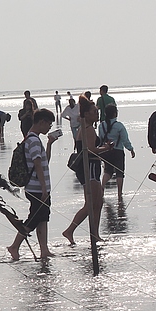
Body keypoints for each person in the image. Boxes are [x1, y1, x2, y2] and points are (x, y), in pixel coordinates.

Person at [6, 108, 56, 261]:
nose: (49, 127)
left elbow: (44, 159)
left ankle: (44, 250)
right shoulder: (33, 140)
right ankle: (14, 246)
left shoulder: (33, 138)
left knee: (43, 218)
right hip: (36, 188)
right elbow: (37, 164)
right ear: (41, 122)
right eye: (49, 124)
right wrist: (43, 188)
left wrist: (50, 143)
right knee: (34, 219)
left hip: (39, 187)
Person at [61, 96, 107, 247]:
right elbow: (91, 150)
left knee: (98, 202)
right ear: (86, 114)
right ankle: (70, 230)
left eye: (97, 111)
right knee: (91, 203)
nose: (97, 114)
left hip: (91, 166)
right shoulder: (88, 129)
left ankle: (95, 233)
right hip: (90, 167)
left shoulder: (84, 127)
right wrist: (106, 148)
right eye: (94, 112)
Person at [98, 104, 135, 201]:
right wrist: (130, 149)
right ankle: (119, 193)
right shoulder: (119, 126)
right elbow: (125, 139)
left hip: (106, 150)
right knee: (120, 172)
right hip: (118, 151)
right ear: (115, 113)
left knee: (107, 170)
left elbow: (101, 138)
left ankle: (102, 186)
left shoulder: (101, 125)